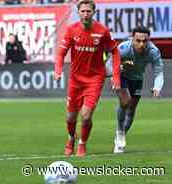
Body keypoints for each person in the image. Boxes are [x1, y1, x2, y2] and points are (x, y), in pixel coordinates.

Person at [54, 0, 121, 157]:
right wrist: (57, 69)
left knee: (86, 115)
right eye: (82, 11)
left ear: (93, 12)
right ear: (78, 13)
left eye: (88, 11)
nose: (85, 14)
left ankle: (82, 143)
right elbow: (61, 52)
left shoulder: (102, 31)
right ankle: (71, 138)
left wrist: (116, 76)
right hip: (75, 79)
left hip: (95, 79)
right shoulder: (72, 30)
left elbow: (115, 51)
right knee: (70, 116)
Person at [106, 26, 164, 154]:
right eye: (138, 40)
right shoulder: (123, 49)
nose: (141, 44)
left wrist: (157, 87)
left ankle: (120, 136)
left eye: (145, 41)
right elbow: (108, 66)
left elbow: (158, 72)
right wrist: (116, 72)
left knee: (131, 110)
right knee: (125, 102)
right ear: (132, 39)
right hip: (121, 76)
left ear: (149, 40)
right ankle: (120, 131)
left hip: (137, 79)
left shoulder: (153, 51)